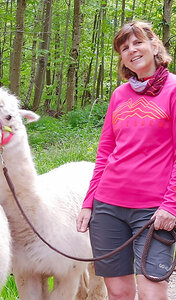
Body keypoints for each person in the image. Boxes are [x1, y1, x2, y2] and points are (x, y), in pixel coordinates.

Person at [76, 20, 176, 300]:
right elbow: (105, 153)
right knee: (118, 292)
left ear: (155, 46)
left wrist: (171, 204)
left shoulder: (173, 90)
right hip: (108, 208)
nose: (132, 50)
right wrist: (89, 202)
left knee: (152, 292)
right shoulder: (119, 95)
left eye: (138, 42)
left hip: (153, 211)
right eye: (124, 47)